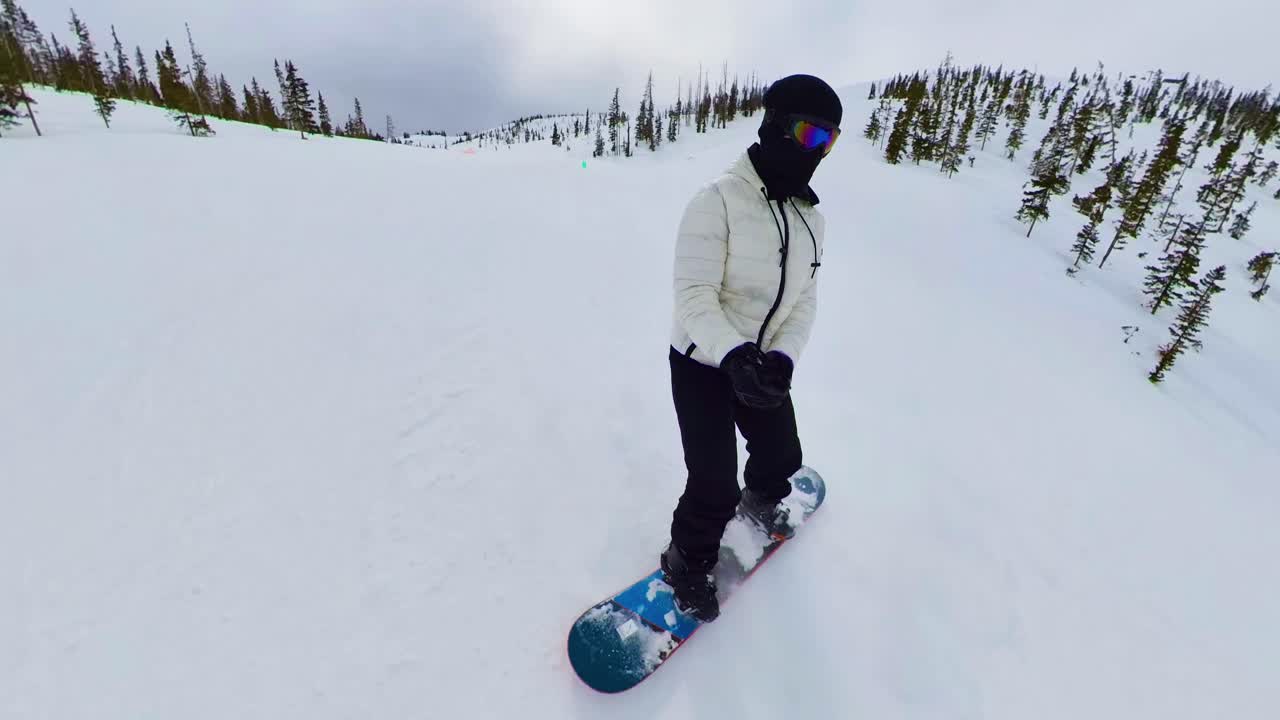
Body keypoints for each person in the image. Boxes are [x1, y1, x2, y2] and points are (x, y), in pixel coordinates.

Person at [662, 74, 842, 622]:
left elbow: (804, 300)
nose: (819, 151)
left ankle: (761, 500)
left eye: (830, 141)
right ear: (776, 127)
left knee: (782, 455)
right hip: (703, 361)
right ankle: (686, 562)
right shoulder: (716, 201)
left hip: (762, 363)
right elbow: (693, 296)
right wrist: (734, 355)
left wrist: (782, 357)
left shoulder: (811, 220)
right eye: (811, 135)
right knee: (713, 483)